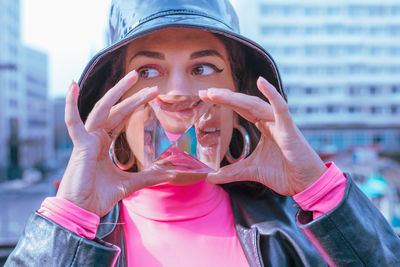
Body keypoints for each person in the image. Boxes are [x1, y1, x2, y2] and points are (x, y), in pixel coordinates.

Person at [6, 0, 400, 266]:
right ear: (113, 100)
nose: (177, 94)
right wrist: (71, 220)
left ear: (239, 95)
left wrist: (320, 189)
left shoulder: (298, 232)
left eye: (203, 68)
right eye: (147, 71)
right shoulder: (80, 232)